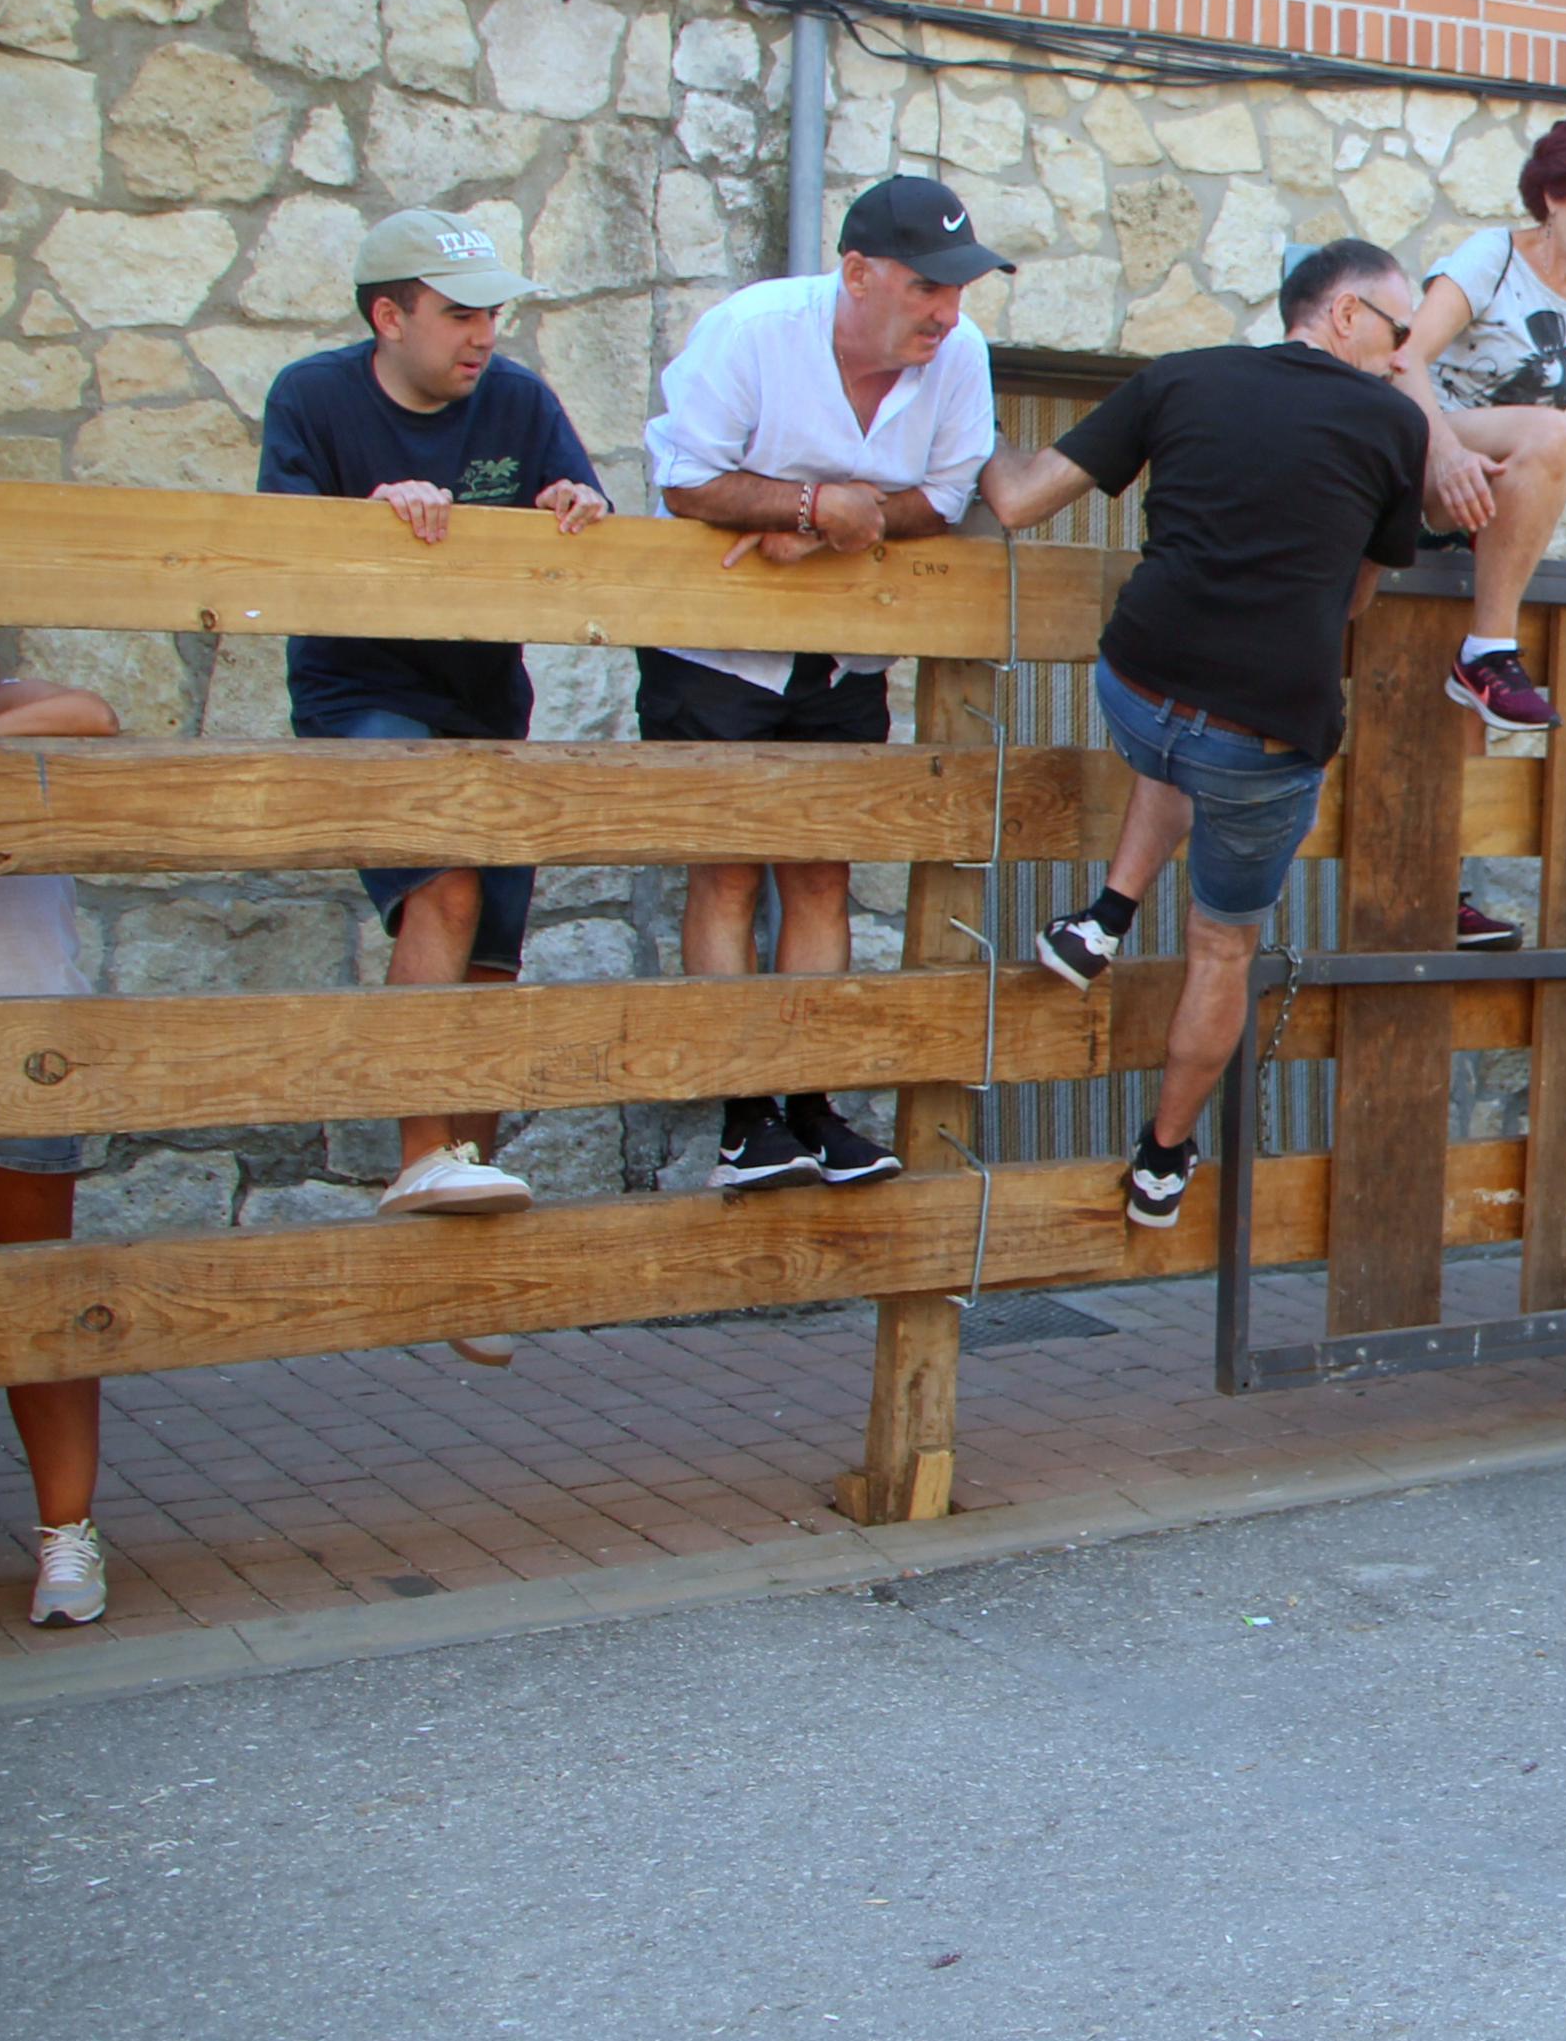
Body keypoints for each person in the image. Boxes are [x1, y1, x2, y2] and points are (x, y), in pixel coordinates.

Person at [1004, 242, 1430, 1232]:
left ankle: (1103, 918)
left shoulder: (1179, 375)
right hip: (1262, 733)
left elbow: (1022, 499)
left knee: (1175, 742)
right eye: (1397, 330)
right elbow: (1357, 595)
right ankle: (1161, 1160)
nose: (1404, 353)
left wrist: (965, 433)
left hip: (1137, 686)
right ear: (1340, 316)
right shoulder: (1393, 424)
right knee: (1220, 946)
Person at [257, 208, 616, 1261]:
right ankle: (422, 1157)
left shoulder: (516, 398)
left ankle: (464, 1194)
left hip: (484, 698)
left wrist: (573, 505)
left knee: (494, 952)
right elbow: (277, 546)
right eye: (458, 313)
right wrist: (371, 516)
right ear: (387, 315)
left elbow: (585, 507)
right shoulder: (311, 395)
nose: (482, 334)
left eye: (491, 313)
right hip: (356, 686)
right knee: (445, 885)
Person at [640, 175, 1006, 1195]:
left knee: (818, 875)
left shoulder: (960, 357)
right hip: (712, 649)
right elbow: (682, 475)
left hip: (845, 652)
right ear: (856, 273)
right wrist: (815, 500)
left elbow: (943, 492)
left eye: (959, 288)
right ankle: (742, 1117)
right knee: (722, 872)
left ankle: (813, 1104)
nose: (946, 310)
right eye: (928, 286)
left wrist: (841, 523)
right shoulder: (750, 331)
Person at [0, 629, 120, 1624]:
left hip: (11, 1057)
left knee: (33, 1300)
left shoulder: (5, 710)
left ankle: (65, 1533)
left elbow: (94, 716)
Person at [1392, 112, 1566, 741]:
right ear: (1553, 196)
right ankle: (1486, 653)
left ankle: (1484, 653)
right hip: (1416, 463)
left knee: (1558, 434)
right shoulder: (1493, 258)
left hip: (1480, 496)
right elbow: (1402, 357)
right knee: (1550, 432)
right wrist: (1441, 452)